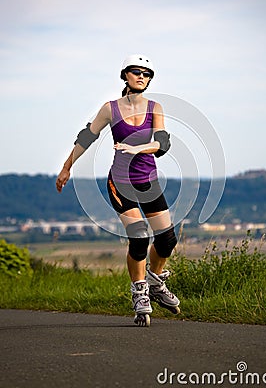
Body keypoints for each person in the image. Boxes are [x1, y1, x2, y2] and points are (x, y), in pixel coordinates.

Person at [56, 54, 180, 327]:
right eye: (136, 71)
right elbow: (86, 137)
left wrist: (136, 148)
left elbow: (162, 144)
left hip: (147, 180)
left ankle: (155, 282)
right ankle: (140, 293)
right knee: (139, 237)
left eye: (147, 74)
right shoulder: (110, 109)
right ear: (125, 75)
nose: (142, 76)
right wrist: (67, 167)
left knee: (167, 240)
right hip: (120, 182)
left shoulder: (154, 107)